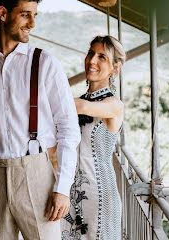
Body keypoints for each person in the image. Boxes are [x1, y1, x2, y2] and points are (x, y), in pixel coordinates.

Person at [0, 0, 81, 240]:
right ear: (3, 14)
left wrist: (63, 187)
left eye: (34, 15)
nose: (32, 24)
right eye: (25, 15)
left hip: (37, 175)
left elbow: (69, 129)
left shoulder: (45, 63)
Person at [61, 35, 126, 240]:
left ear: (115, 68)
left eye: (102, 57)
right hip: (69, 193)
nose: (92, 61)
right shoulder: (75, 101)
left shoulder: (114, 105)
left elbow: (84, 107)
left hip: (100, 195)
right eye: (91, 53)